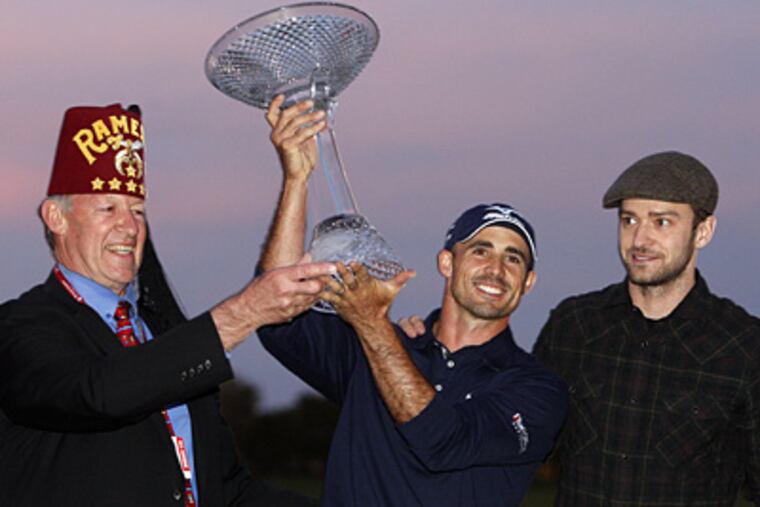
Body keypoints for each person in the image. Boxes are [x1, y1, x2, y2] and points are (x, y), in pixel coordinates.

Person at [0, 103, 336, 506]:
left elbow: (226, 491)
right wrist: (246, 312)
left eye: (138, 210)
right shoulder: (19, 328)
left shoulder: (164, 337)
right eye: (108, 207)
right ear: (55, 216)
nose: (129, 226)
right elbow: (100, 393)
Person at [256, 96, 568, 506]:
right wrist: (297, 180)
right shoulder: (384, 344)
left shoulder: (535, 389)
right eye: (480, 250)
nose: (496, 268)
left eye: (514, 259)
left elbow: (443, 442)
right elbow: (276, 314)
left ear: (528, 282)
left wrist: (371, 323)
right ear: (446, 263)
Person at [531, 151, 760, 505]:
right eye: (629, 220)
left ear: (703, 231)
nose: (639, 240)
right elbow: (512, 443)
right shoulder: (573, 326)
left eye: (662, 222)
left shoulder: (745, 348)